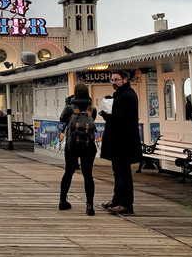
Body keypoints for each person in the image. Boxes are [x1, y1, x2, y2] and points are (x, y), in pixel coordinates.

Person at [99, 70, 140, 215]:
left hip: (124, 141)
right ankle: (117, 200)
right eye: (112, 80)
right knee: (117, 172)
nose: (114, 82)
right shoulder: (121, 95)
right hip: (119, 141)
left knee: (123, 173)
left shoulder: (128, 95)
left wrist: (106, 115)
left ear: (125, 79)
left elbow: (122, 118)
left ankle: (126, 204)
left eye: (116, 79)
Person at [58, 83, 97, 215]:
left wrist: (67, 103)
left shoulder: (70, 108)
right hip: (88, 146)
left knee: (68, 172)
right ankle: (90, 206)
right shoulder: (92, 110)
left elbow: (62, 119)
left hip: (72, 146)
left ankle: (63, 201)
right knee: (88, 175)